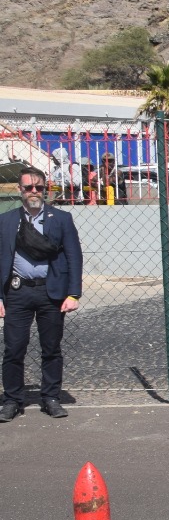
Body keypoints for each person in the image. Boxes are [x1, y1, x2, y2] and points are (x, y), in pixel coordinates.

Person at [0, 166, 83, 421]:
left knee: (51, 348)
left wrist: (74, 294)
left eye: (38, 187)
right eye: (28, 188)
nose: (33, 192)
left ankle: (51, 397)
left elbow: (73, 256)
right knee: (13, 349)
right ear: (20, 190)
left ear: (45, 189)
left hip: (52, 293)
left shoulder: (61, 218)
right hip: (17, 292)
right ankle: (12, 400)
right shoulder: (6, 220)